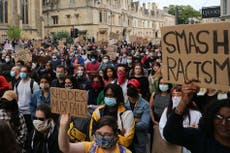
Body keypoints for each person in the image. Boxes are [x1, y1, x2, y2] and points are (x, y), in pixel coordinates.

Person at [163, 81, 230, 153]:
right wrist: (183, 102)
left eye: (229, 119)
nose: (224, 123)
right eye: (219, 117)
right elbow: (170, 134)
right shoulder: (200, 139)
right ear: (211, 118)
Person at [159, 85, 202, 153]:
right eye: (173, 95)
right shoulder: (167, 111)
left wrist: (190, 130)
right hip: (172, 148)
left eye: (178, 95)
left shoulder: (196, 114)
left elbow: (198, 133)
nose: (175, 98)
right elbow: (162, 128)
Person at [59, 115, 132, 153]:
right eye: (99, 133)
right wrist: (63, 126)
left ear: (116, 135)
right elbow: (65, 148)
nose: (102, 137)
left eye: (107, 134)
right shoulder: (90, 147)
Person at [125, 79, 150, 153]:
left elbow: (144, 124)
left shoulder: (145, 105)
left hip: (139, 138)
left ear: (138, 90)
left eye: (133, 87)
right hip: (125, 137)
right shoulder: (123, 102)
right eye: (129, 87)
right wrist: (135, 120)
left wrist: (128, 122)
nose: (130, 89)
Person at [14, 65, 40, 132]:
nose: (22, 73)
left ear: (28, 73)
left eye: (24, 71)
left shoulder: (34, 84)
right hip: (20, 112)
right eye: (21, 71)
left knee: (30, 131)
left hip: (30, 113)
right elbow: (15, 97)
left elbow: (37, 99)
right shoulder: (17, 84)